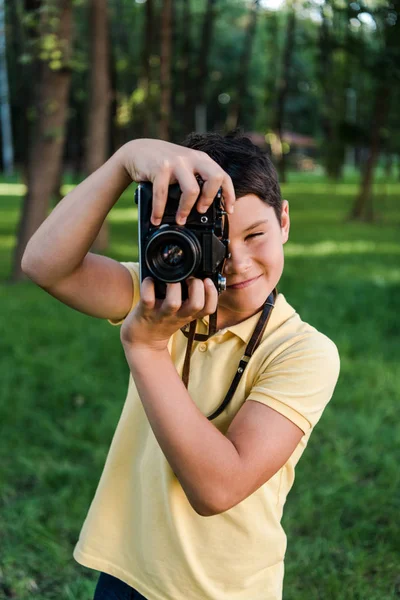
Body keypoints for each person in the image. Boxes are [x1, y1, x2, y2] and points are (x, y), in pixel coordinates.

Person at [21, 131, 340, 600]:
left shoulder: (302, 351)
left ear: (284, 220)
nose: (237, 263)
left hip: (221, 589)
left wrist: (148, 349)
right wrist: (123, 161)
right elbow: (46, 266)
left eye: (256, 235)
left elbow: (217, 489)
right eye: (216, 242)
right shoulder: (163, 296)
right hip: (126, 569)